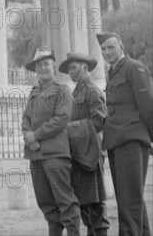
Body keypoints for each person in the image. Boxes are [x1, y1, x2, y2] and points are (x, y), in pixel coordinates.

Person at [97, 31, 153, 236]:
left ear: (121, 47)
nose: (107, 52)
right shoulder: (113, 71)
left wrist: (151, 139)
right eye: (103, 49)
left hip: (131, 140)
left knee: (129, 202)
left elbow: (147, 106)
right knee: (130, 199)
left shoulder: (134, 68)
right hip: (116, 141)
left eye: (111, 47)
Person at [22, 46, 81, 236]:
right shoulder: (34, 92)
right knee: (45, 201)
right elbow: (25, 119)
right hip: (36, 155)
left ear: (53, 67)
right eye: (39, 65)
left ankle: (73, 232)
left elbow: (61, 119)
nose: (43, 68)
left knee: (64, 199)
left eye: (46, 64)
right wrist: (29, 137)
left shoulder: (62, 90)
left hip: (55, 154)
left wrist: (35, 135)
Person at [59, 52, 109, 236]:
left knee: (95, 207)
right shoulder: (76, 91)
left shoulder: (93, 91)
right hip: (78, 154)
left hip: (90, 154)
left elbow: (98, 122)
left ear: (85, 68)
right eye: (69, 68)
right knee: (84, 207)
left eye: (74, 67)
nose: (70, 72)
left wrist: (69, 129)